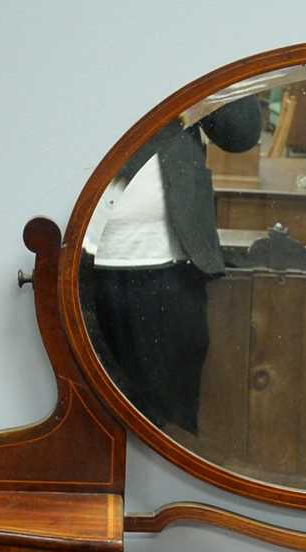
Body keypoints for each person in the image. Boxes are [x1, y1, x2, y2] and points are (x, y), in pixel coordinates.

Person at [84, 96, 262, 435]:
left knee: (173, 425)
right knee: (90, 425)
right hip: (82, 262)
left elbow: (241, 133)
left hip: (175, 262)